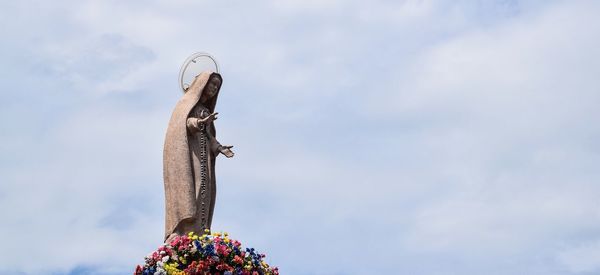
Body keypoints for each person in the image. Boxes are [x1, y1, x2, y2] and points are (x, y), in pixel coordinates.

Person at [163, 71, 234, 243]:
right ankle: (185, 231)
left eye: (217, 86)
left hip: (204, 162)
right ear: (202, 83)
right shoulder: (186, 105)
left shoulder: (205, 110)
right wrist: (199, 123)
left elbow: (209, 137)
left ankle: (199, 232)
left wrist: (218, 147)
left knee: (204, 191)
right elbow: (184, 124)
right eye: (212, 84)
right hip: (190, 157)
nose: (214, 88)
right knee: (192, 190)